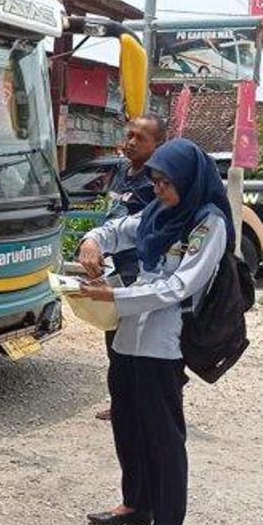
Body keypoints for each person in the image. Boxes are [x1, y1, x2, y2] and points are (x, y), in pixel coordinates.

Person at [78, 138, 235, 525]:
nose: (161, 191)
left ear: (188, 180)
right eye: (157, 182)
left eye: (167, 184)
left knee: (163, 433)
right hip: (130, 335)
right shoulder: (158, 212)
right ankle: (137, 502)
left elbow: (181, 284)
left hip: (165, 342)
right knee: (127, 420)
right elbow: (117, 230)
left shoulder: (207, 222)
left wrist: (115, 298)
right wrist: (92, 241)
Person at [95, 115, 166, 421]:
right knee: (114, 339)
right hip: (113, 268)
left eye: (141, 138)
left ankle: (143, 402)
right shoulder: (123, 171)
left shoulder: (157, 182)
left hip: (139, 274)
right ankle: (122, 401)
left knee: (137, 341)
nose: (132, 142)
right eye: (129, 135)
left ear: (158, 145)